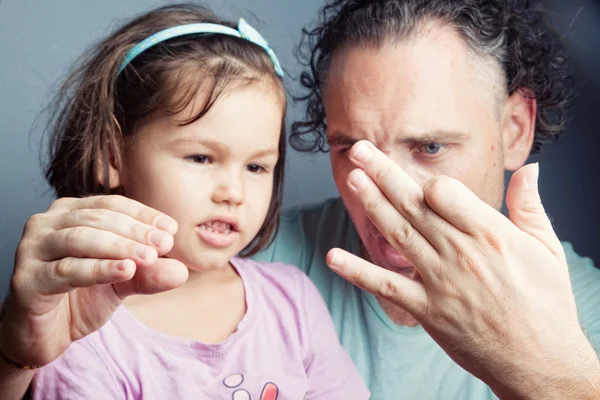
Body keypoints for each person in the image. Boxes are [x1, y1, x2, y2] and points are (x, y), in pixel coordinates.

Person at [0, 4, 369, 399]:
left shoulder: (293, 301)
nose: (233, 192)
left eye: (257, 167)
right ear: (110, 157)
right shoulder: (80, 327)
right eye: (201, 158)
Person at [251, 0, 600, 398]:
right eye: (351, 150)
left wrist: (545, 372)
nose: (383, 196)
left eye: (430, 147)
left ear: (515, 130)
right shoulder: (247, 264)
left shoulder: (585, 320)